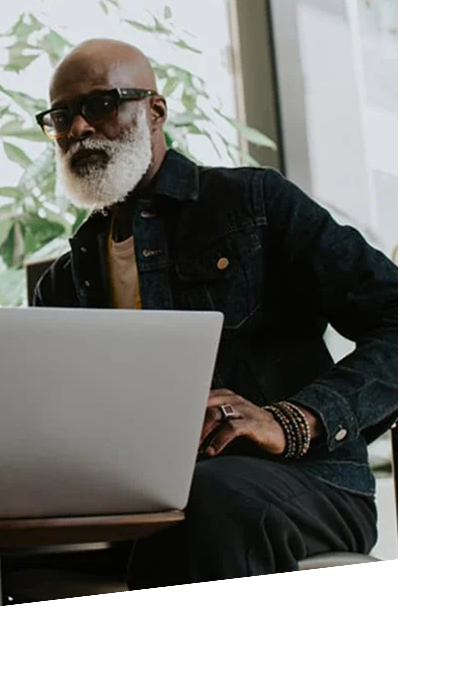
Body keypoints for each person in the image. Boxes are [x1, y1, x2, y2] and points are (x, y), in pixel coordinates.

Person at [29, 38, 399, 587]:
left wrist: (293, 419)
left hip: (301, 482)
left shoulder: (253, 203)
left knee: (206, 501)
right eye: (61, 115)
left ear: (155, 111)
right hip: (136, 502)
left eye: (101, 104)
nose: (79, 127)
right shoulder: (62, 278)